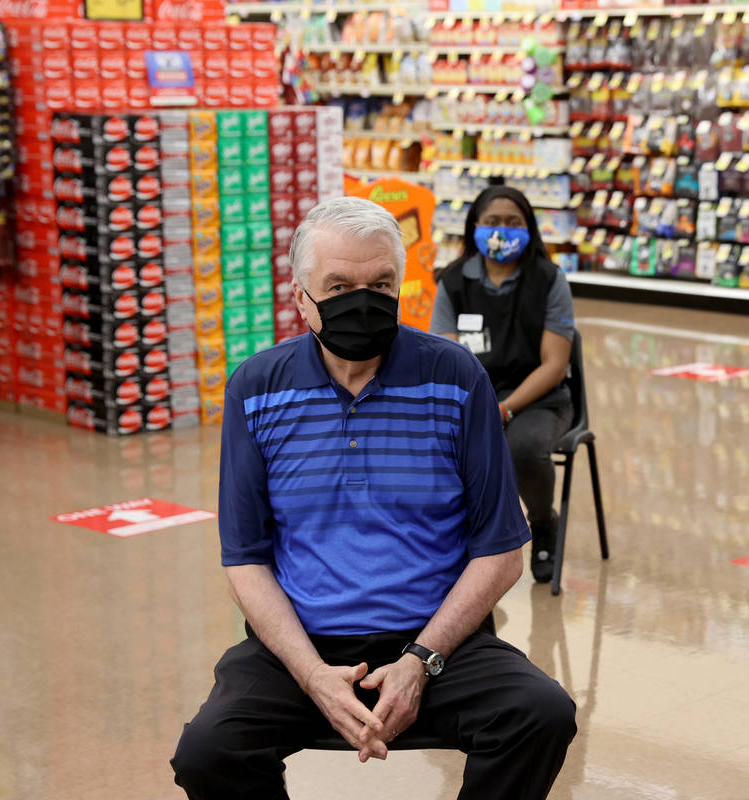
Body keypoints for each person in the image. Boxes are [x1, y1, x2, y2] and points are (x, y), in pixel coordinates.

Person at [170, 197, 577, 800]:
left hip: (438, 641)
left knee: (541, 715)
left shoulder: (457, 378)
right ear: (299, 295)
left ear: (401, 283)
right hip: (301, 645)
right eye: (338, 285)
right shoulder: (255, 390)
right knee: (208, 752)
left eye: (381, 283)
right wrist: (311, 675)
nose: (362, 300)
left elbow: (500, 554)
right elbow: (245, 559)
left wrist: (420, 661)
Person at [429, 186, 575, 583]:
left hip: (540, 401)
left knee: (523, 448)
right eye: (492, 223)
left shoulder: (548, 280)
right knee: (431, 445)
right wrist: (482, 406)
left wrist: (506, 408)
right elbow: (446, 358)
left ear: (530, 228)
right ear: (474, 226)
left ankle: (543, 522)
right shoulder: (454, 282)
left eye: (514, 223)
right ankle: (456, 548)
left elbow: (555, 364)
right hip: (473, 399)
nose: (502, 231)